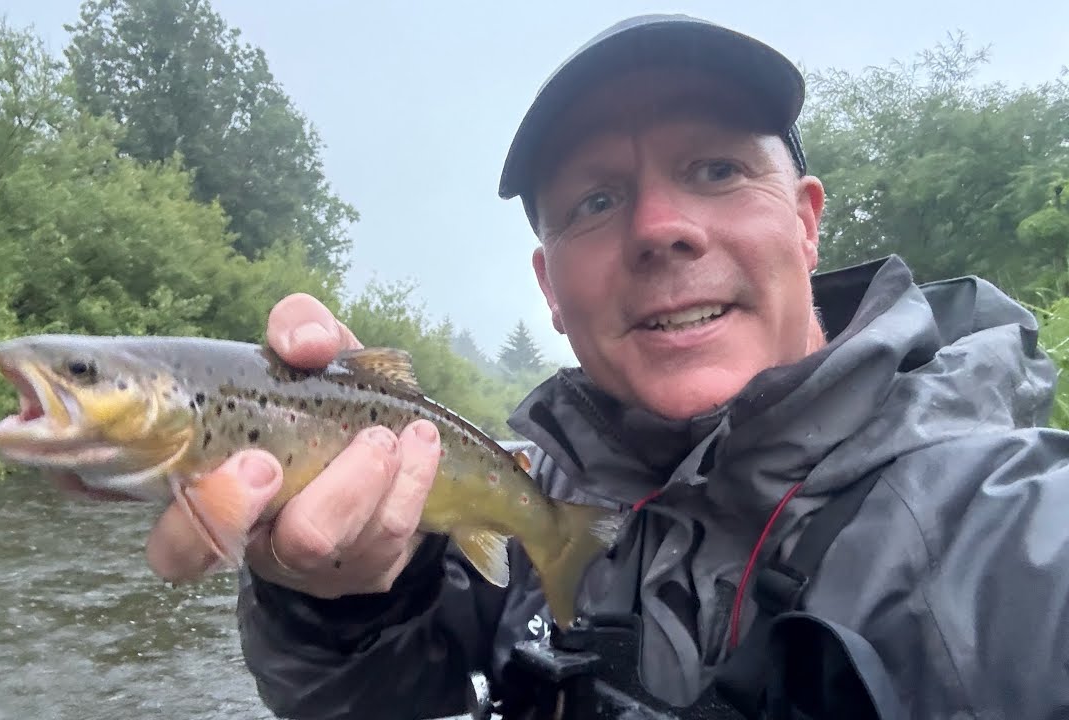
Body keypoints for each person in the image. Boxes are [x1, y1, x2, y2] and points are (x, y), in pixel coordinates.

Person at [136, 13, 1069, 720]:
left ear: (807, 220)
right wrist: (327, 602)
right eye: (595, 201)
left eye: (714, 170)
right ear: (549, 286)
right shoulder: (514, 501)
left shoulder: (1018, 535)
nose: (660, 229)